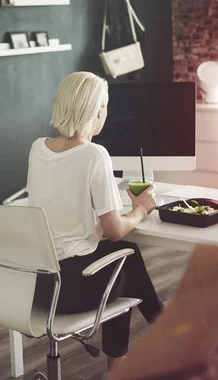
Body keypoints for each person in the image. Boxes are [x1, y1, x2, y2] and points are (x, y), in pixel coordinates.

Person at [27, 71, 163, 371]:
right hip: (69, 292)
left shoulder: (38, 149)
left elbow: (55, 212)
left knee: (123, 256)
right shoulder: (94, 155)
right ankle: (148, 339)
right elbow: (114, 231)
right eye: (105, 106)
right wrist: (140, 209)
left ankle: (149, 338)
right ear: (97, 110)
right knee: (125, 254)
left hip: (36, 287)